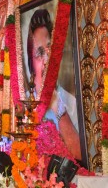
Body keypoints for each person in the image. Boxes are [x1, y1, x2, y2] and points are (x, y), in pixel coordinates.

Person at [26, 9, 81, 160]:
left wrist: (58, 106)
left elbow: (81, 156)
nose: (46, 59)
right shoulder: (23, 104)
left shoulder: (70, 102)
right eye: (39, 53)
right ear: (31, 63)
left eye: (49, 49)